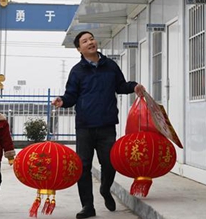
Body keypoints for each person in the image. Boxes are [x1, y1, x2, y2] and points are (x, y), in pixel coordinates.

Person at [52, 31, 145, 219]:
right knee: (83, 166)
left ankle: (105, 188)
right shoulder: (77, 71)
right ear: (79, 49)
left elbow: (120, 85)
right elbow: (71, 95)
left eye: (92, 38)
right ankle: (88, 206)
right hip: (85, 126)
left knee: (110, 163)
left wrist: (133, 86)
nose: (90, 42)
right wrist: (63, 100)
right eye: (85, 41)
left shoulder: (110, 66)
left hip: (107, 124)